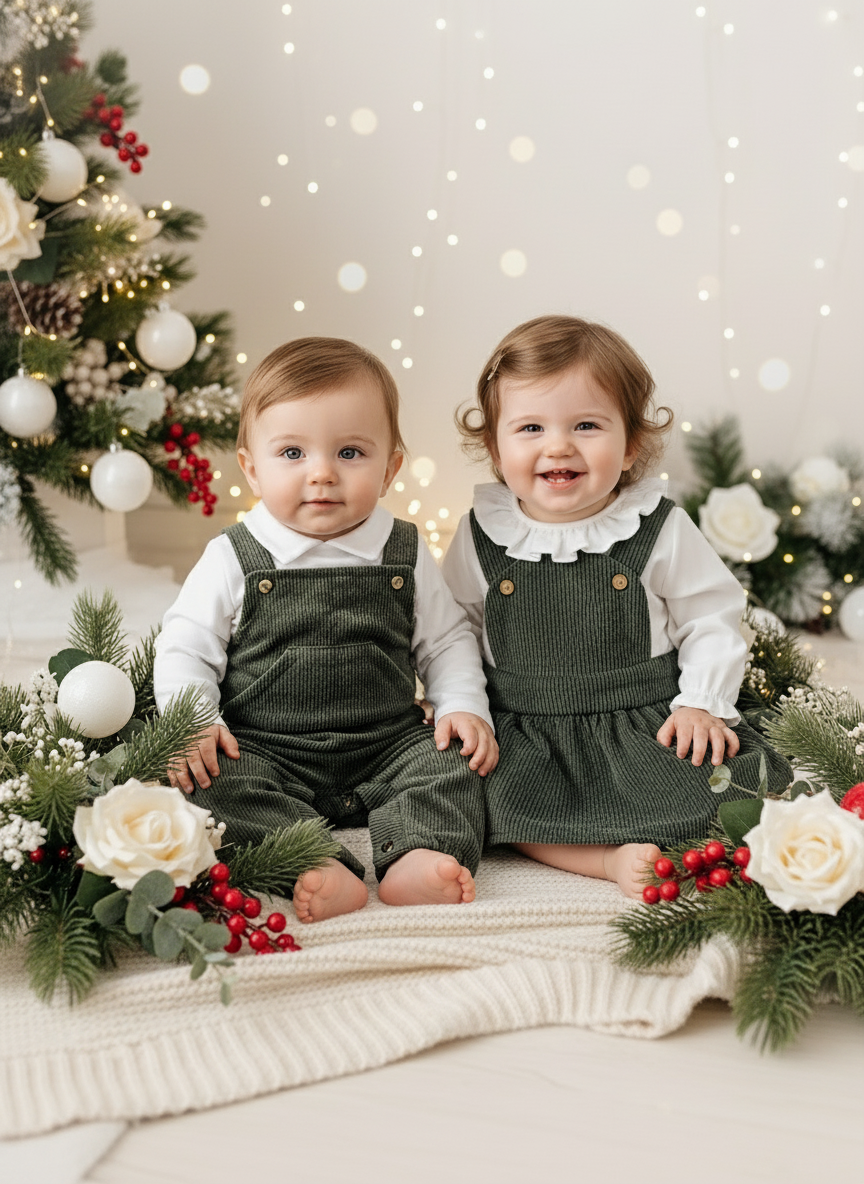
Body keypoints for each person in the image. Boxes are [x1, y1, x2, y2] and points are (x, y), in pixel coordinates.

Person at [442, 314, 791, 898]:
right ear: (496, 450)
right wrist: (462, 705)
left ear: (630, 445)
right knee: (479, 797)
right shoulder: (481, 533)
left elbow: (711, 616)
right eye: (530, 427)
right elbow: (454, 629)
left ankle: (654, 824)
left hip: (639, 718)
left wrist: (701, 701)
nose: (558, 445)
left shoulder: (657, 527)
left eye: (586, 425)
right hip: (526, 726)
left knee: (724, 787)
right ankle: (602, 860)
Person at [154, 337, 497, 922]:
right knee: (208, 785)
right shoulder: (233, 557)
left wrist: (462, 706)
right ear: (251, 469)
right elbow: (186, 647)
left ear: (389, 469)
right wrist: (197, 721)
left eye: (350, 452)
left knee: (453, 764)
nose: (321, 474)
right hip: (267, 748)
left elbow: (446, 641)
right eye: (292, 453)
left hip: (387, 744)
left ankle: (418, 852)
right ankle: (311, 859)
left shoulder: (404, 550)